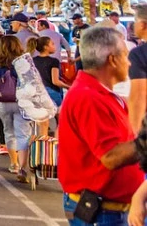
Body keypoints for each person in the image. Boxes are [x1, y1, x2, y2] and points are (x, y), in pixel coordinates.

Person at [58, 26, 141, 225]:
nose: (129, 62)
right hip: (102, 212)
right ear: (112, 59)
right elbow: (111, 157)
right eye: (125, 55)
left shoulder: (103, 95)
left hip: (112, 209)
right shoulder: (89, 98)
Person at [0, 35, 32, 181]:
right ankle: (22, 168)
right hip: (21, 101)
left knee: (9, 132)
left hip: (2, 101)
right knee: (23, 134)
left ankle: (13, 163)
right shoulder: (24, 61)